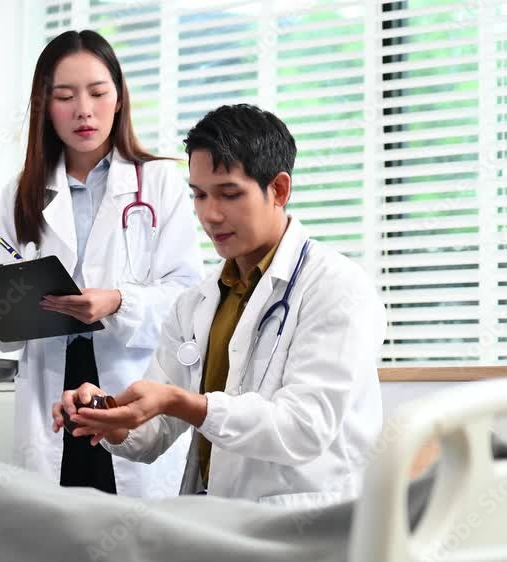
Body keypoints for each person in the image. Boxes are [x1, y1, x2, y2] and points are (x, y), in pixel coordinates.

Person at [54, 104, 386, 507]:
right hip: (218, 516)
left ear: (279, 190)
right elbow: (155, 432)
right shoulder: (196, 302)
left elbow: (304, 428)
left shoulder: (337, 287)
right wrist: (107, 415)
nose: (210, 215)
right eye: (199, 194)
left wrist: (182, 402)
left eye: (229, 194)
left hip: (310, 524)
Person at [0, 30, 203, 497]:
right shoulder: (20, 193)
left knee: (133, 526)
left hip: (127, 388)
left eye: (98, 93)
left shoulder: (158, 182)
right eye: (65, 97)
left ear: (119, 99)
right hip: (50, 394)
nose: (84, 110)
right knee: (56, 525)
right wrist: (15, 307)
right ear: (46, 106)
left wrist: (119, 302)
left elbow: (189, 303)